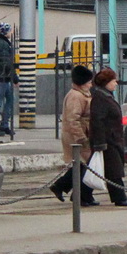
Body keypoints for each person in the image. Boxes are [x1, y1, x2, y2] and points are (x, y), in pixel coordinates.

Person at [49, 65, 98, 206]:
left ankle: (65, 189)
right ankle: (76, 194)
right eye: (89, 81)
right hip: (77, 137)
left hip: (81, 134)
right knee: (85, 165)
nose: (91, 84)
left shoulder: (81, 94)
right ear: (82, 82)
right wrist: (81, 138)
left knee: (81, 165)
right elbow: (73, 119)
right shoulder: (76, 96)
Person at [89, 68, 127, 206]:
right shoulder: (100, 98)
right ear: (106, 82)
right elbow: (97, 120)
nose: (116, 83)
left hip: (112, 138)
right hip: (108, 140)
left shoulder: (105, 95)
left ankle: (83, 193)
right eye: (114, 81)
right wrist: (100, 143)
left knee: (98, 168)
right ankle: (120, 197)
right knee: (113, 170)